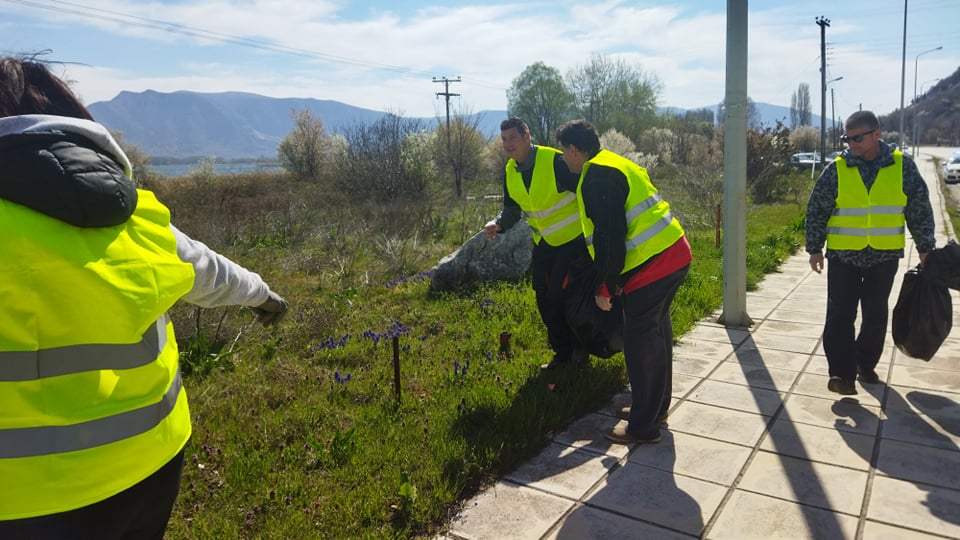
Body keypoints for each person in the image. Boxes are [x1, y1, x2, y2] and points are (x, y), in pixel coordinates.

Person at [0, 56, 289, 538]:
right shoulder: (137, 215)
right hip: (152, 464)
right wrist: (264, 297)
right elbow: (211, 271)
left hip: (27, 499)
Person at [555, 119, 691, 445]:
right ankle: (653, 409)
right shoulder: (615, 162)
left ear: (574, 150)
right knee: (655, 336)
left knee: (640, 342)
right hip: (671, 253)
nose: (562, 158)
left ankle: (643, 427)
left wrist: (605, 284)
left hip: (653, 265)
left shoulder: (596, 176)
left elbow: (610, 237)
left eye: (563, 152)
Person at [805, 110, 936, 396]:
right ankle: (842, 374)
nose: (851, 143)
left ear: (877, 134)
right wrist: (814, 248)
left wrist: (925, 247)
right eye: (847, 138)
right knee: (839, 315)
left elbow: (919, 209)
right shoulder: (837, 169)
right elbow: (817, 209)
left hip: (883, 256)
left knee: (875, 315)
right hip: (843, 256)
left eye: (857, 138)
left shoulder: (902, 167)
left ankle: (865, 364)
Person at [484, 117, 590, 369]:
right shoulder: (510, 170)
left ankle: (580, 350)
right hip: (544, 243)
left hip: (573, 240)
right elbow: (512, 208)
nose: (508, 144)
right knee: (543, 296)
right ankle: (562, 354)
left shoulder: (555, 161)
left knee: (559, 295)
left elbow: (586, 190)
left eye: (513, 138)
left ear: (527, 137)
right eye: (504, 139)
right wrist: (499, 224)